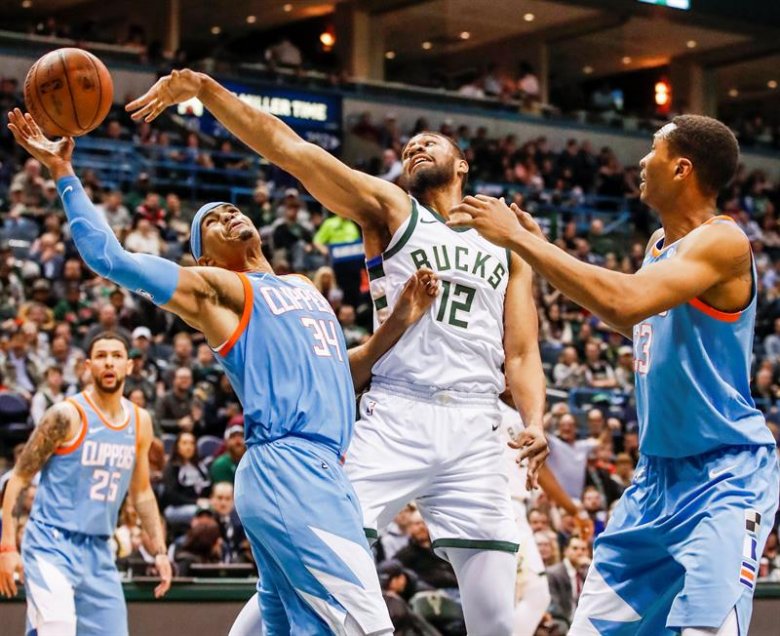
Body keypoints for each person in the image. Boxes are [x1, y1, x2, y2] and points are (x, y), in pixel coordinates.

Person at [126, 68, 549, 636]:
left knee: (496, 620)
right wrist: (207, 92)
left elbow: (521, 353)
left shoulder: (508, 243)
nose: (416, 147)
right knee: (310, 559)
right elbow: (292, 151)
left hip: (477, 425)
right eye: (409, 145)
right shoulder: (393, 209)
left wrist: (535, 420)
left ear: (462, 164)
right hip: (396, 413)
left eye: (430, 141)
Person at [7, 107, 438, 634]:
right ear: (205, 261)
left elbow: (341, 374)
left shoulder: (304, 287)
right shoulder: (218, 291)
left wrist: (399, 321)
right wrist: (63, 173)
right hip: (290, 467)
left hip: (321, 468)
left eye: (230, 208)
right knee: (364, 628)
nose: (228, 214)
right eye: (210, 220)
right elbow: (108, 257)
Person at [448, 114, 780, 635]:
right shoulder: (658, 245)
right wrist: (541, 250)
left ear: (682, 168)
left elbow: (625, 303)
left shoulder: (725, 241)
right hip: (654, 481)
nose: (642, 161)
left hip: (723, 475)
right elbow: (641, 324)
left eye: (653, 151)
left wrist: (523, 242)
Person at [0, 332, 172, 635]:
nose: (109, 362)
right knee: (57, 627)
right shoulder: (65, 415)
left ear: (130, 366)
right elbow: (19, 479)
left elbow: (142, 493)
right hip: (51, 543)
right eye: (101, 356)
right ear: (88, 366)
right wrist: (7, 547)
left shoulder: (140, 421)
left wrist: (159, 551)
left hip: (99, 549)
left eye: (117, 356)